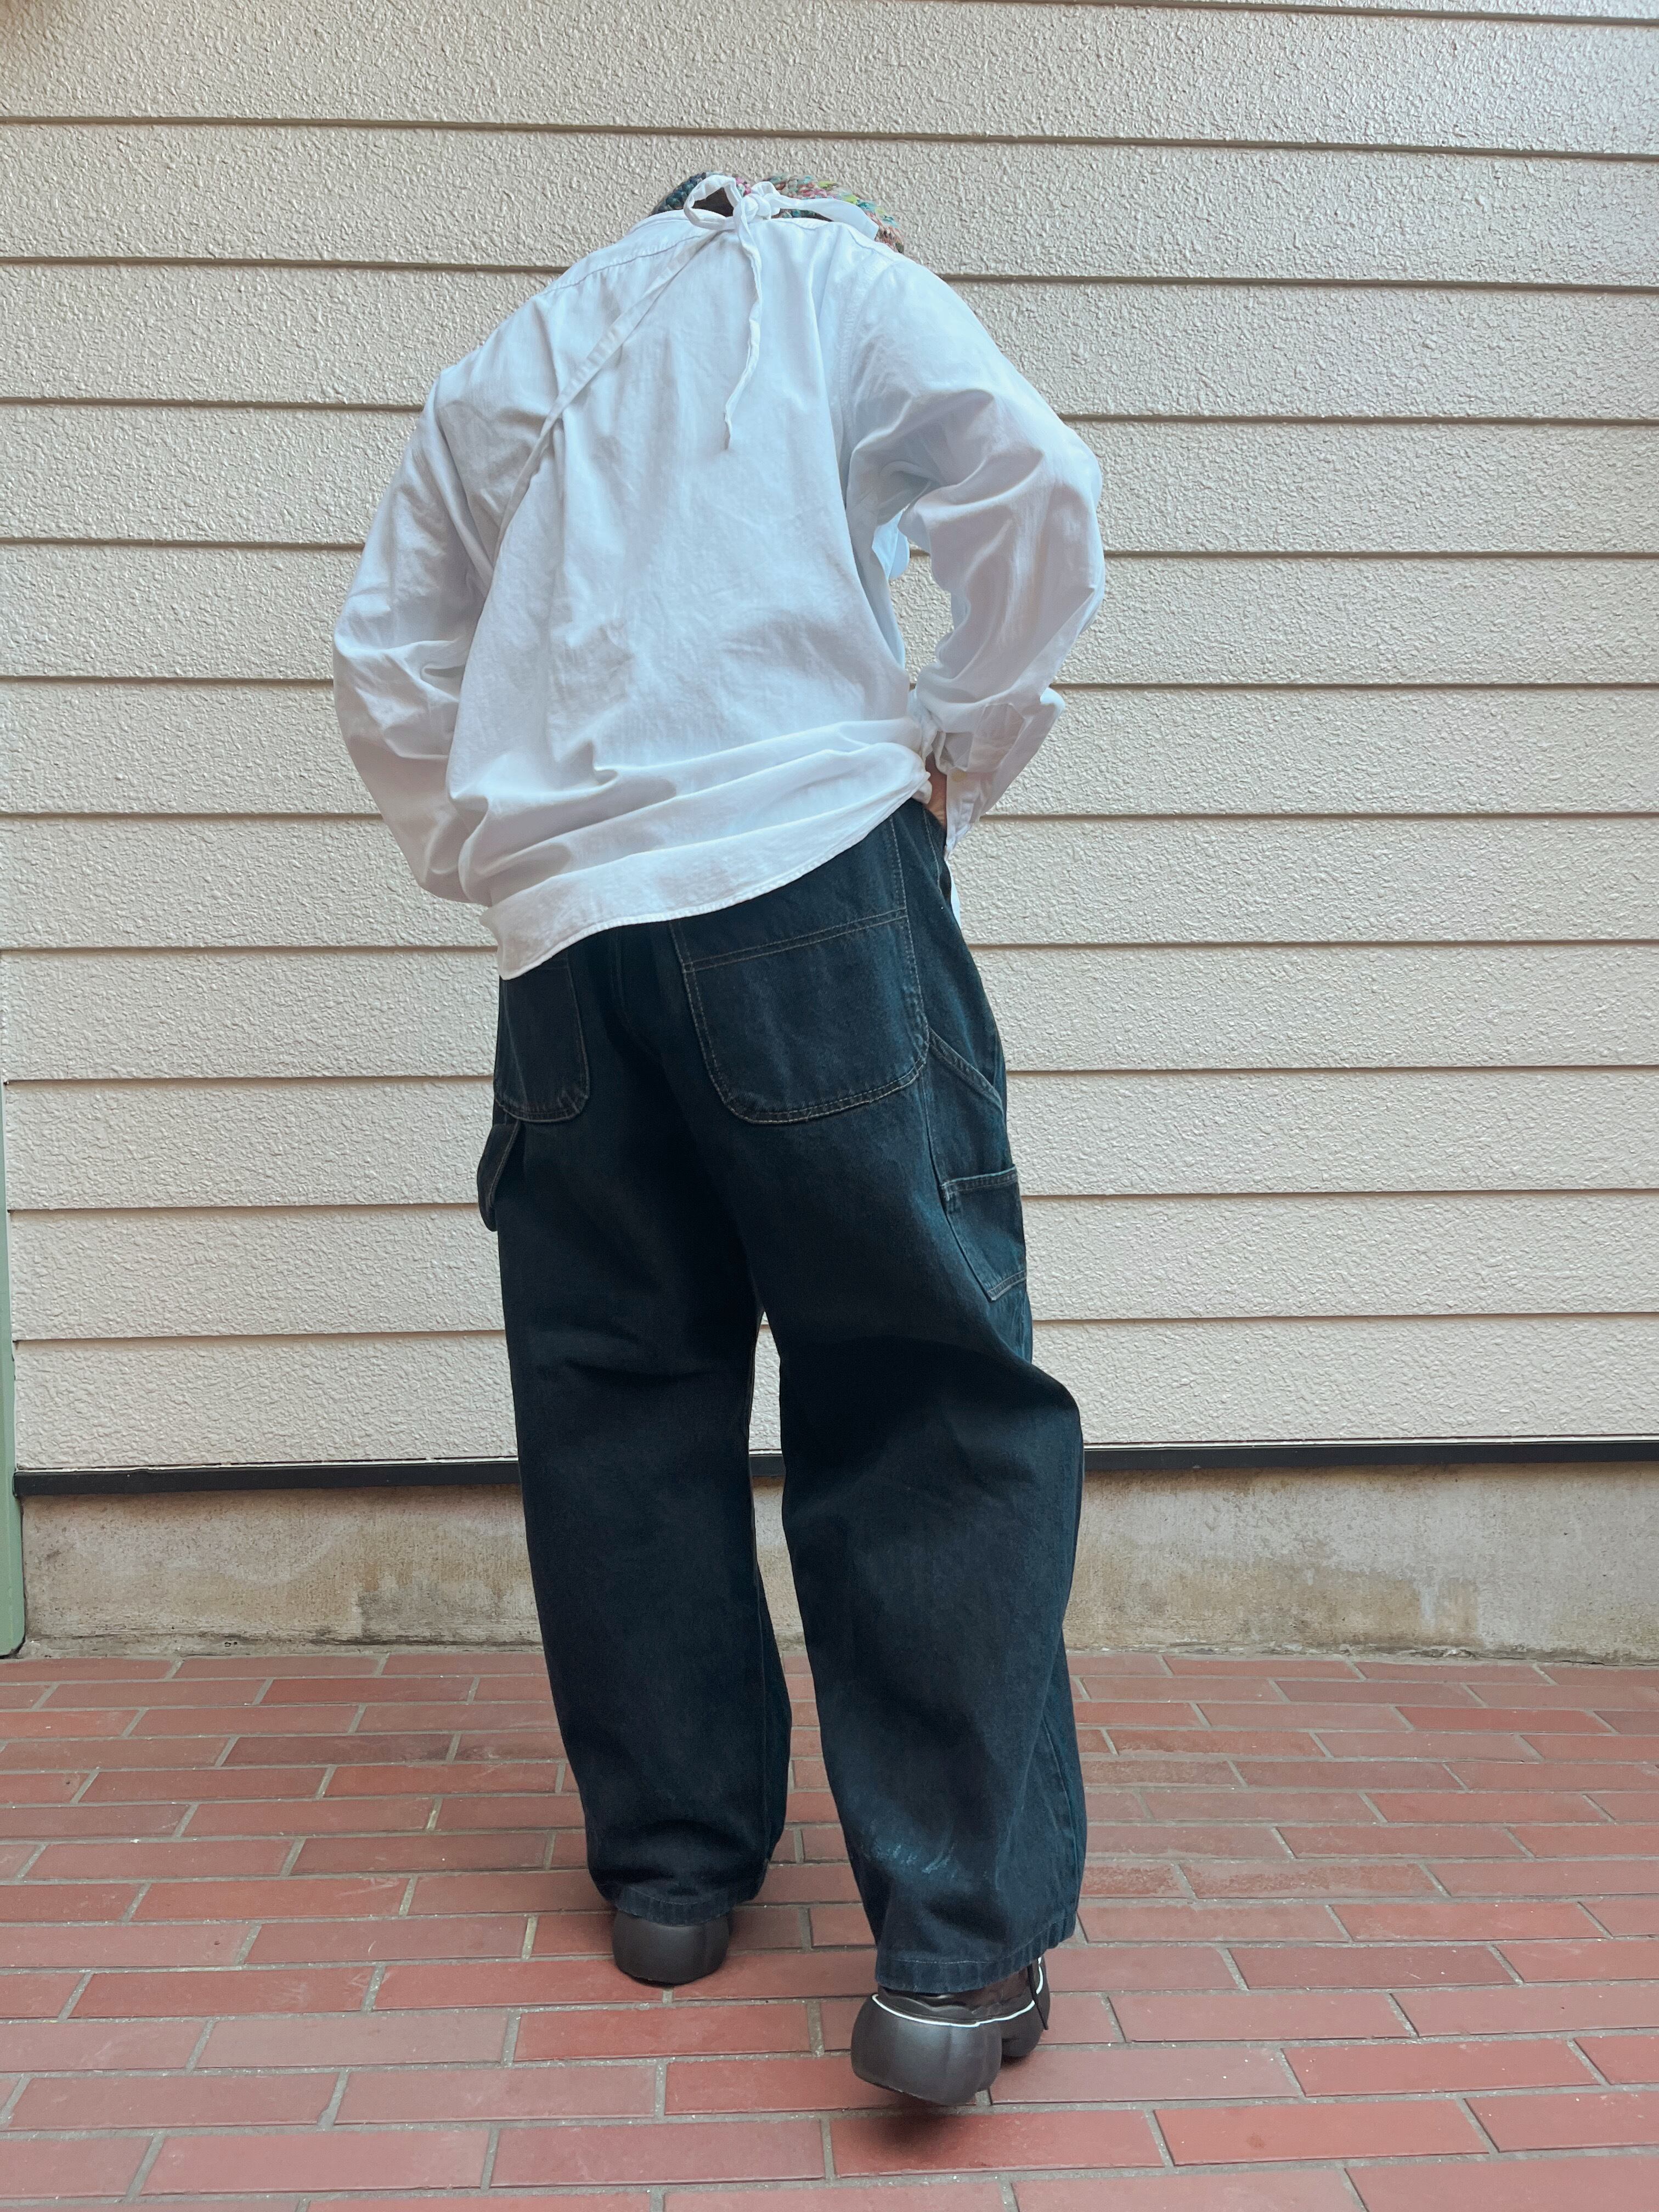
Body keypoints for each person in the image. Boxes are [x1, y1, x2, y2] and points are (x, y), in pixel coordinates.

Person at [334, 171, 1105, 2104]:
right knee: (919, 1388)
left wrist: (500, 859)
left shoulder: (517, 359)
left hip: (565, 953)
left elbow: (389, 660)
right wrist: (961, 742)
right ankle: (953, 1955)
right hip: (806, 876)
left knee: (620, 1400)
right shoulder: (835, 280)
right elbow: (1032, 481)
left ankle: (673, 1879)